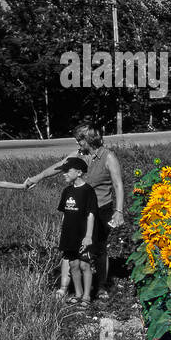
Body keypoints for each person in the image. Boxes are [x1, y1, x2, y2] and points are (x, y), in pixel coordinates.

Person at [26, 125, 124, 300]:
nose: (78, 144)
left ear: (89, 140)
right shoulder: (77, 155)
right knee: (70, 248)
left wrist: (119, 211)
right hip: (78, 210)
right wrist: (37, 177)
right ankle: (65, 287)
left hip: (101, 208)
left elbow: (117, 185)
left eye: (80, 140)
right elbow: (58, 166)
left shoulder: (108, 157)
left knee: (99, 248)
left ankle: (101, 286)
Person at [54, 157, 99, 304]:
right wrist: (62, 234)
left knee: (84, 264)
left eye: (67, 171)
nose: (64, 174)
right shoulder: (67, 191)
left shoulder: (88, 191)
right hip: (69, 235)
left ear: (79, 172)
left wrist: (88, 236)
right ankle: (78, 293)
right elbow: (65, 214)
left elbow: (91, 214)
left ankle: (87, 296)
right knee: (73, 264)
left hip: (83, 234)